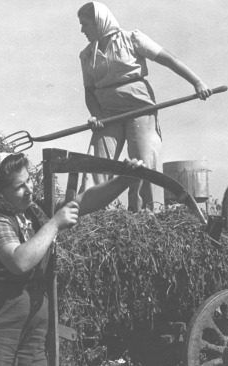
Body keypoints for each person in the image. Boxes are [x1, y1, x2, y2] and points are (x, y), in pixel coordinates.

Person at [0, 152, 143, 366]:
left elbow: (82, 202)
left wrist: (124, 180)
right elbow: (19, 261)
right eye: (19, 186)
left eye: (29, 180)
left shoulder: (32, 211)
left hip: (33, 322)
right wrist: (54, 223)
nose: (29, 189)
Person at [77, 1, 214, 212]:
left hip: (139, 109)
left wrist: (197, 82)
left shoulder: (132, 39)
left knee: (143, 166)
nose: (82, 30)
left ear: (98, 22)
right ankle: (92, 215)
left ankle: (144, 216)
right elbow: (88, 92)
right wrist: (96, 116)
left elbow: (169, 59)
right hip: (108, 116)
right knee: (96, 164)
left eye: (85, 24)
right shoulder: (87, 55)